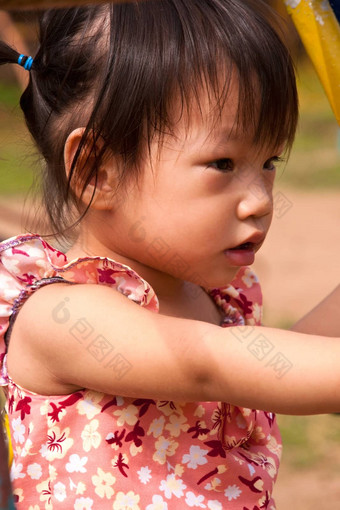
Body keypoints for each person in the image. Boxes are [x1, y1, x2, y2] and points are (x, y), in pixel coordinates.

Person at [0, 1, 339, 508]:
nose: (261, 199)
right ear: (97, 171)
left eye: (268, 161)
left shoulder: (217, 299)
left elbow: (278, 366)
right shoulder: (64, 315)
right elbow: (210, 365)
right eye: (223, 162)